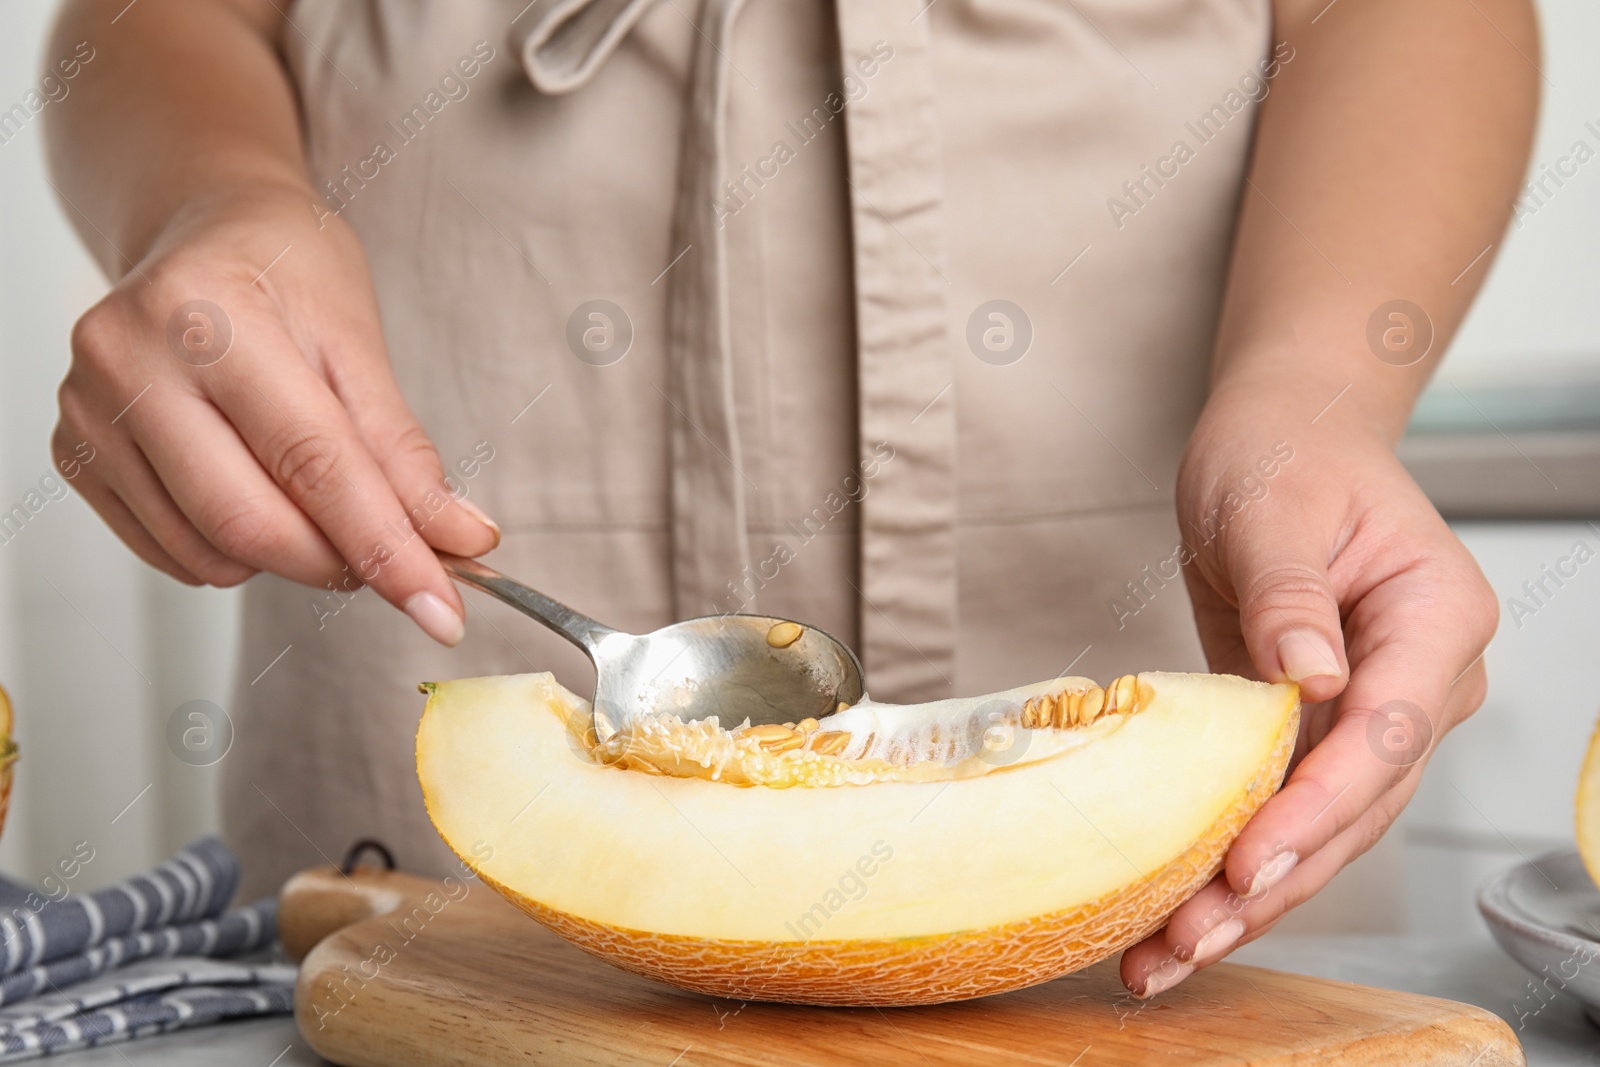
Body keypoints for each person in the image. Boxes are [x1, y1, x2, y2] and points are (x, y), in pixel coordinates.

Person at [42, 0, 1534, 997]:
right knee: (448, 991)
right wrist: (210, 200)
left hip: (1141, 615)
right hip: (419, 634)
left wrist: (1315, 392)